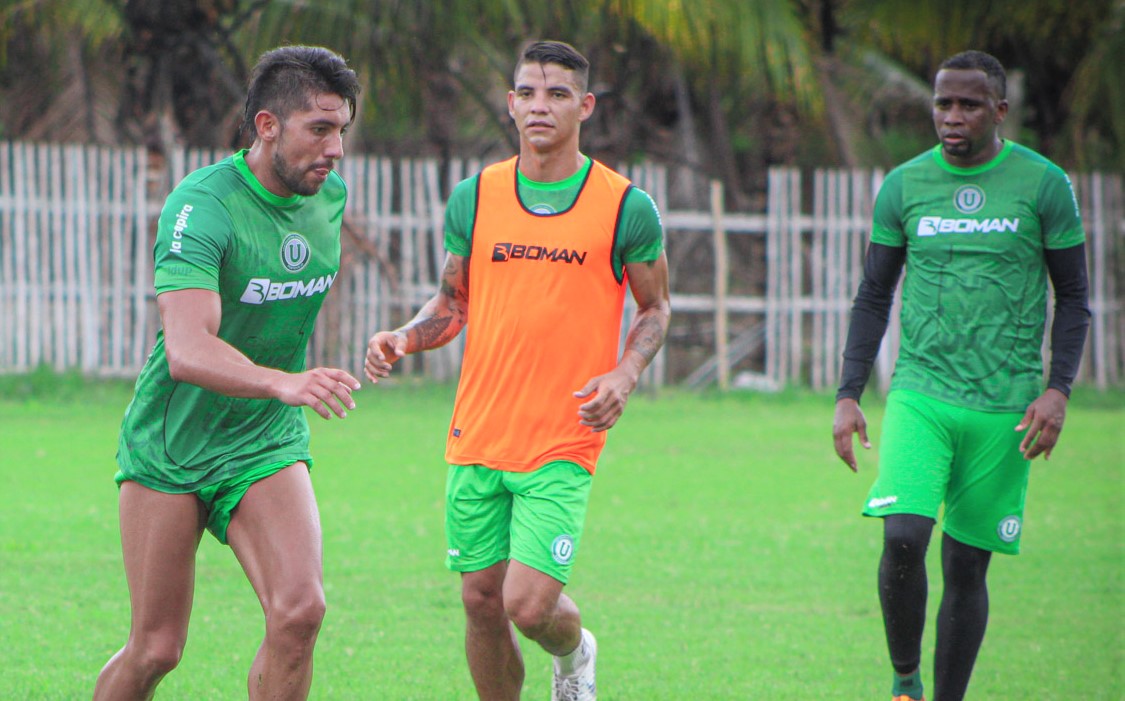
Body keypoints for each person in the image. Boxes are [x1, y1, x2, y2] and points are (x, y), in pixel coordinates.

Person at [365, 40, 670, 701]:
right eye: (527, 92)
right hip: (477, 432)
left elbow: (655, 307)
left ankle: (575, 651)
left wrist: (625, 372)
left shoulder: (624, 206)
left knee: (526, 605)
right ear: (509, 104)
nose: (540, 105)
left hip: (564, 433)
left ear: (584, 106)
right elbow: (452, 304)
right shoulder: (475, 197)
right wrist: (401, 338)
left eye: (557, 93)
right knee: (479, 598)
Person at [93, 46, 361, 701]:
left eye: (342, 130)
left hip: (263, 439)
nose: (335, 150)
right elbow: (187, 348)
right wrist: (285, 380)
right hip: (173, 442)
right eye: (319, 129)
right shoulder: (201, 206)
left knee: (300, 611)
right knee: (156, 648)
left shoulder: (328, 198)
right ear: (267, 125)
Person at [832, 50, 1090, 701]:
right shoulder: (903, 185)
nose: (951, 116)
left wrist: (1057, 388)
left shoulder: (1042, 184)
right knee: (902, 537)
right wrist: (847, 392)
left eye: (968, 104)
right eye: (943, 103)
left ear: (998, 110)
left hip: (1005, 404)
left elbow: (1074, 297)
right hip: (920, 392)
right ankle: (903, 682)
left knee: (965, 565)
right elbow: (872, 295)